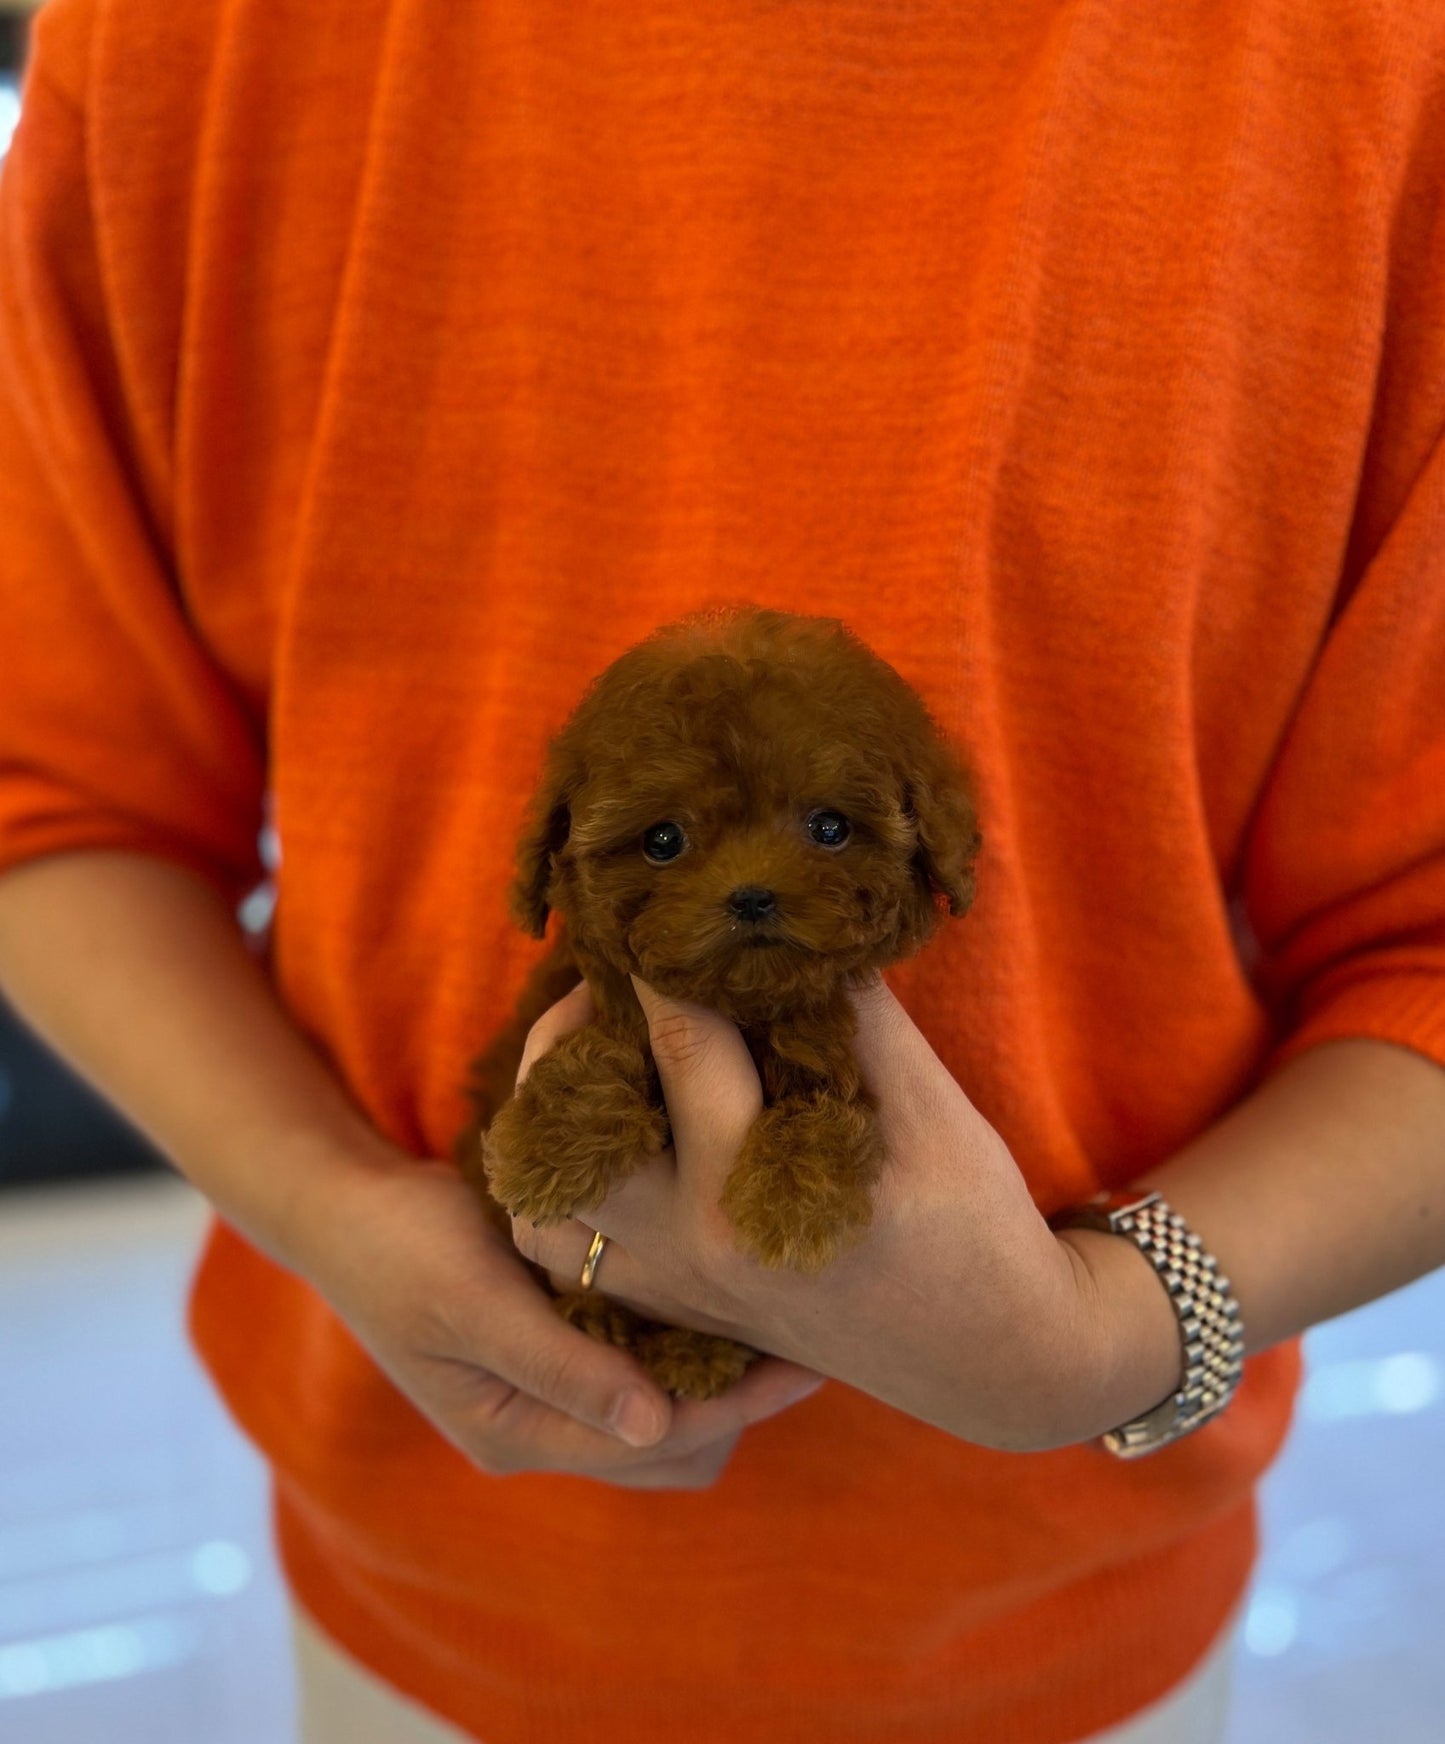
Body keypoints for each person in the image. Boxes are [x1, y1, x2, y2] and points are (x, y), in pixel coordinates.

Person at [1, 1, 1443, 1740]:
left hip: (1072, 1622)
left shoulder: (1371, 64)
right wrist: (328, 1205)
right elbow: (56, 796)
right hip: (425, 1587)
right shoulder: (196, 41)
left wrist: (1116, 1331)